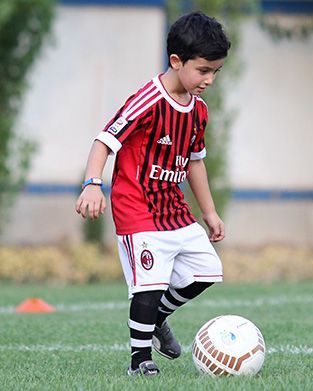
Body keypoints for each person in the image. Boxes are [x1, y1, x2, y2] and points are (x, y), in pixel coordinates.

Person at [75, 11, 230, 377]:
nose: (209, 80)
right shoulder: (147, 100)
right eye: (204, 70)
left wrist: (209, 212)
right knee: (149, 284)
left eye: (215, 72)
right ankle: (139, 361)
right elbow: (104, 140)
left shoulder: (198, 110)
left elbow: (195, 163)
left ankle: (157, 317)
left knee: (208, 271)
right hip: (136, 208)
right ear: (176, 61)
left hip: (173, 209)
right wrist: (92, 184)